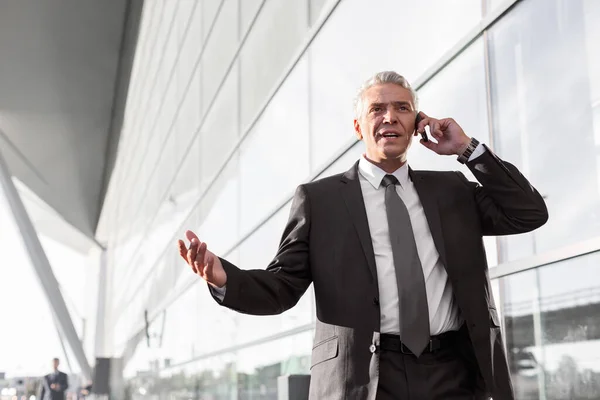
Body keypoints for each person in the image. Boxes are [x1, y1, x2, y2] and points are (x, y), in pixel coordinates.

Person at [177, 71, 548, 399]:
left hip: (453, 372)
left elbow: (527, 212)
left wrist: (466, 149)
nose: (390, 117)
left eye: (402, 108)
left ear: (416, 123)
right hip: (364, 378)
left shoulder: (452, 189)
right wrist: (223, 277)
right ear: (359, 127)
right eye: (377, 109)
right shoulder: (319, 200)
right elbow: (282, 287)